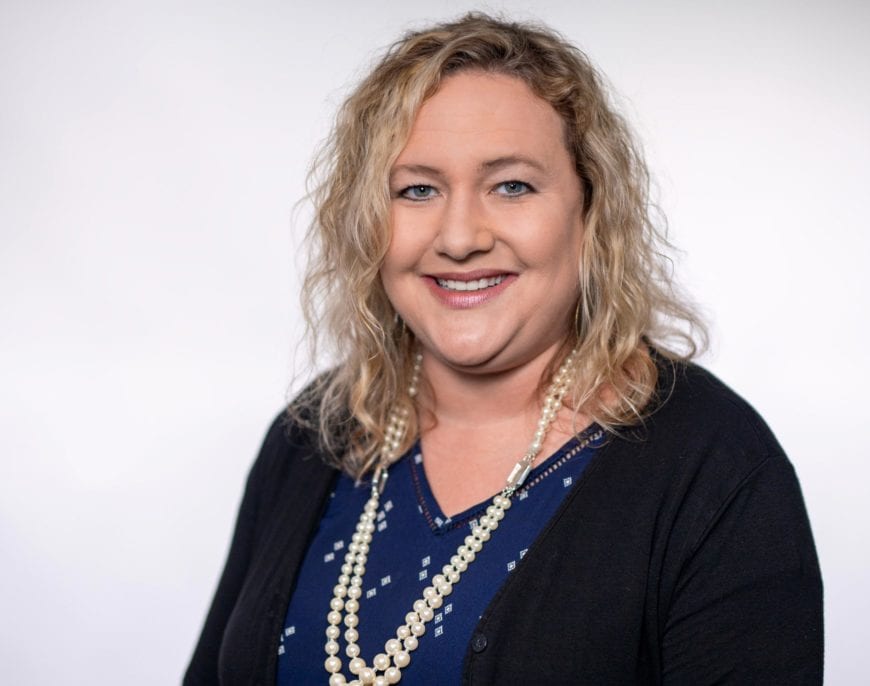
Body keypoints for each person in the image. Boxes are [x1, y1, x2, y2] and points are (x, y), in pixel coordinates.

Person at [184, 12, 822, 686]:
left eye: (511, 185)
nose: (459, 236)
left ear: (590, 210)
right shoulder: (314, 435)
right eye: (417, 189)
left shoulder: (716, 469)